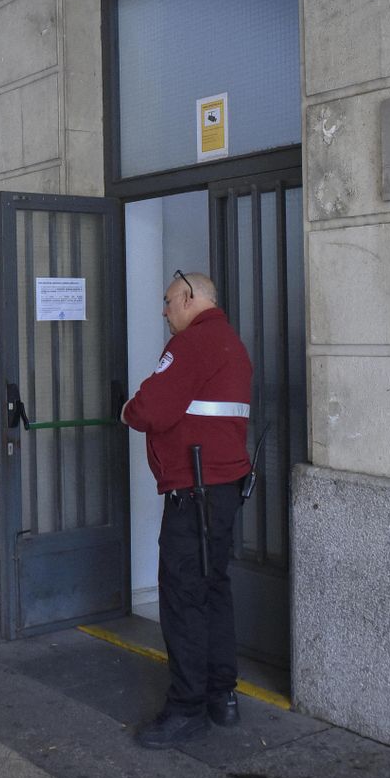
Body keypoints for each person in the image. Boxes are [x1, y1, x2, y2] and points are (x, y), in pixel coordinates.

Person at [121, 270, 254, 749]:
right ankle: (222, 696)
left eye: (168, 301)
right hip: (222, 487)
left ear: (190, 297)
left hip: (195, 491)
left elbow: (151, 409)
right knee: (213, 589)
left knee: (183, 597)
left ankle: (186, 708)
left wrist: (127, 410)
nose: (164, 310)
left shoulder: (194, 343)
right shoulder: (230, 342)